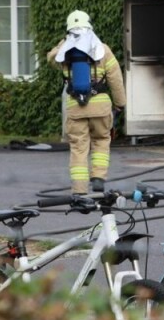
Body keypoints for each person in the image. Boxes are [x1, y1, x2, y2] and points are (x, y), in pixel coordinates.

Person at [47, 10, 126, 194]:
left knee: (78, 148)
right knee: (101, 140)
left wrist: (63, 43)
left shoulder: (65, 54)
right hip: (101, 107)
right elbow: (116, 80)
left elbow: (51, 58)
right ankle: (98, 178)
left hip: (75, 108)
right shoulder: (104, 50)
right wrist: (120, 103)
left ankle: (80, 191)